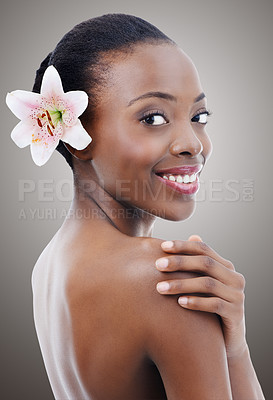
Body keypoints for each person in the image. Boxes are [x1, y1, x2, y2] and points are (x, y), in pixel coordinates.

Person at [14, 13, 264, 399]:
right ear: (77, 138)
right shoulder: (168, 281)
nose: (192, 144)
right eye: (154, 117)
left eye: (199, 116)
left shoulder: (47, 266)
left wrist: (234, 345)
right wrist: (238, 354)